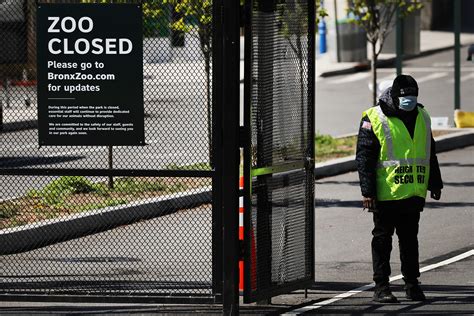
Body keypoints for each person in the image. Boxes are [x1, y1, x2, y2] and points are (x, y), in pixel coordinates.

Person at [356, 75, 443, 303]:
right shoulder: (374, 117)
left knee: (409, 240)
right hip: (384, 194)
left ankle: (412, 284)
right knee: (383, 240)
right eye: (405, 98)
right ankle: (382, 287)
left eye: (413, 97)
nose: (409, 102)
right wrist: (367, 191)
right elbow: (364, 158)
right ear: (394, 97)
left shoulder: (422, 115)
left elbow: (429, 151)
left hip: (413, 191)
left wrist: (435, 182)